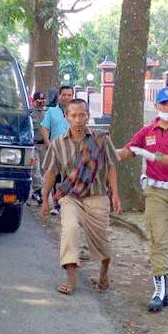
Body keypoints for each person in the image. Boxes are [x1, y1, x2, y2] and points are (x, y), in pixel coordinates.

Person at [118, 86, 168, 312]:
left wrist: (155, 156)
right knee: (158, 238)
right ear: (156, 105)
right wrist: (105, 150)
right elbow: (127, 151)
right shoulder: (147, 131)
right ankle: (160, 290)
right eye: (164, 103)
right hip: (154, 192)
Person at [40, 98, 121, 295]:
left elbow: (111, 166)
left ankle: (104, 272)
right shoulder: (58, 144)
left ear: (88, 116)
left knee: (102, 240)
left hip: (97, 196)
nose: (78, 119)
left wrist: (115, 194)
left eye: (82, 115)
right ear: (66, 117)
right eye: (73, 115)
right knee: (69, 229)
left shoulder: (101, 140)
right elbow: (51, 173)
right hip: (71, 197)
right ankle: (71, 278)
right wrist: (45, 200)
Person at [40, 85, 74, 215]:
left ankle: (68, 203)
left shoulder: (76, 112)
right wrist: (48, 143)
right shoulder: (51, 112)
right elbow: (44, 128)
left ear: (72, 96)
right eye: (64, 95)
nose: (66, 97)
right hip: (56, 149)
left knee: (69, 177)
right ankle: (57, 205)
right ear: (59, 96)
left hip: (72, 150)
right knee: (56, 177)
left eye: (69, 95)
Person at [29, 91, 47, 204]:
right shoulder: (30, 113)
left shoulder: (47, 113)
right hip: (34, 145)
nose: (41, 103)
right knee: (35, 170)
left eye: (43, 101)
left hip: (44, 145)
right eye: (38, 101)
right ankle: (38, 192)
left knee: (43, 169)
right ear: (34, 101)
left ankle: (37, 191)